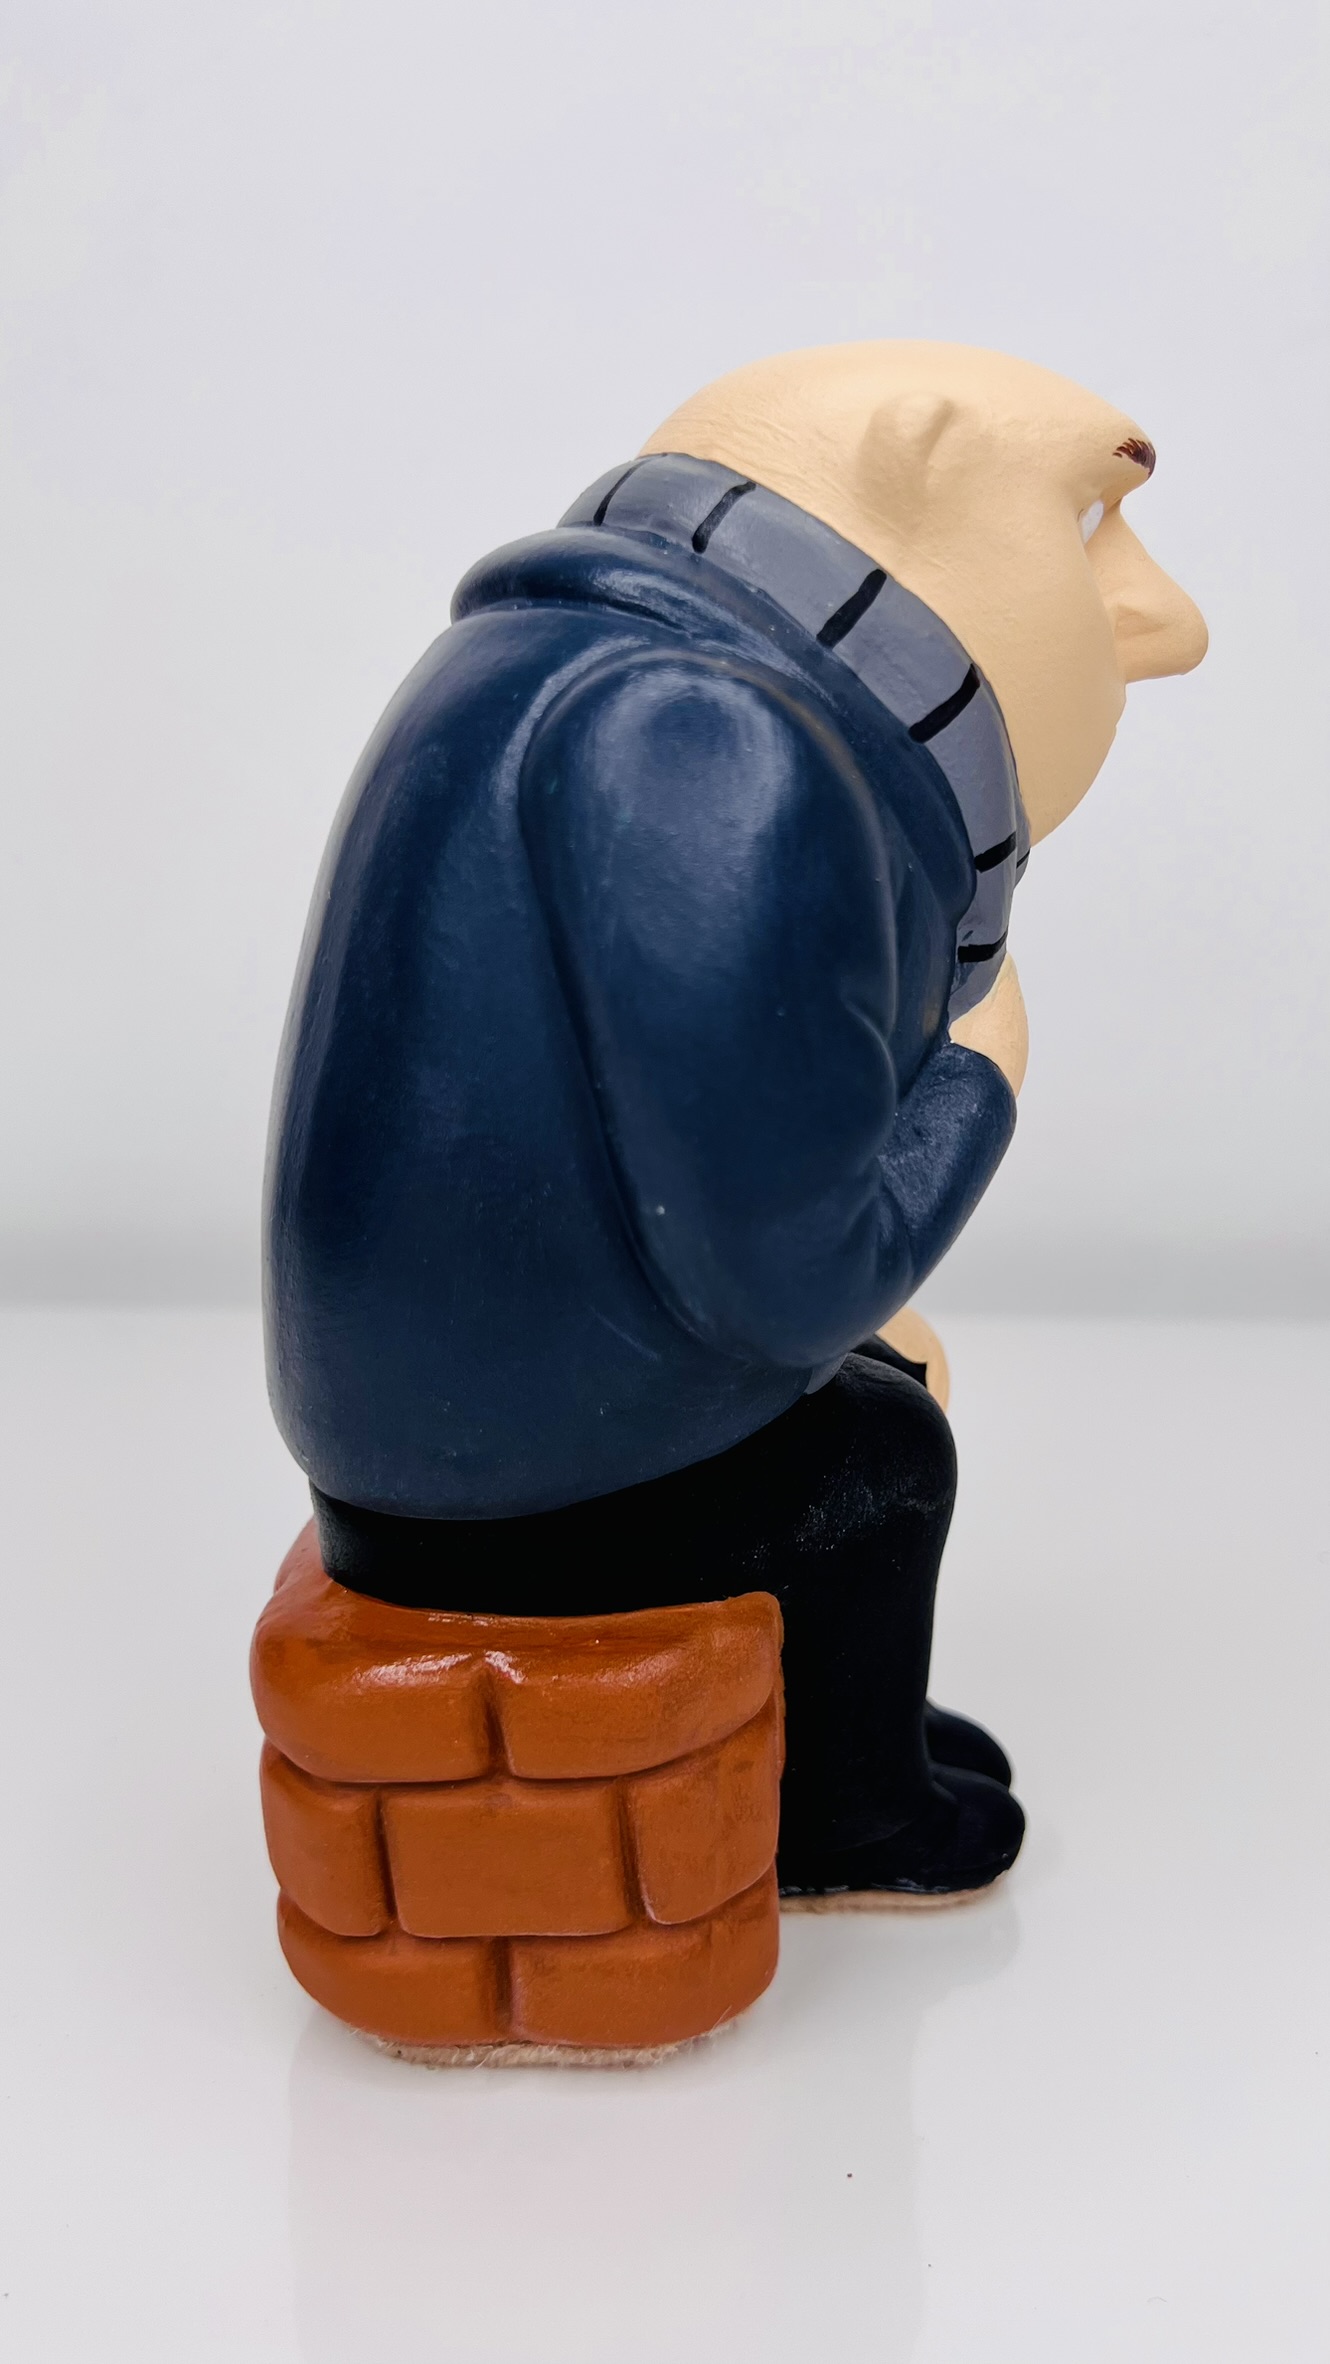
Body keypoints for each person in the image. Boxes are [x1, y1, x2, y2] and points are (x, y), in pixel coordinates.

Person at [265, 343, 1207, 1901]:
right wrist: (977, 1072)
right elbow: (793, 1277)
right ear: (912, 480)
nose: (1165, 624)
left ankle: (831, 1728)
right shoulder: (707, 736)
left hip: (454, 1405)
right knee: (880, 1457)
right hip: (506, 1484)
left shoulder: (568, 659)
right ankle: (854, 1816)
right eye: (1086, 527)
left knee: (873, 1375)